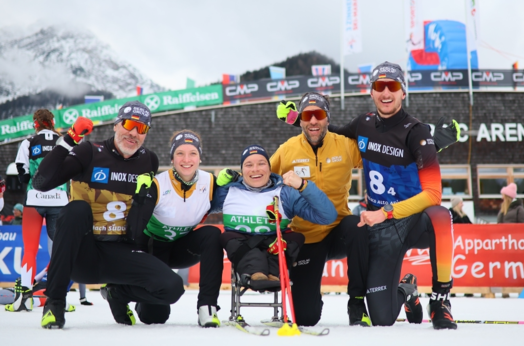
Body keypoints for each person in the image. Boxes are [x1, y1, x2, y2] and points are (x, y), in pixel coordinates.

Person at [329, 61, 459, 329]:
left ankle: (440, 300)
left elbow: (433, 194)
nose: (386, 93)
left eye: (393, 86)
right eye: (379, 86)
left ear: (403, 92)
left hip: (410, 221)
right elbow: (328, 136)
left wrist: (387, 212)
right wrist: (299, 119)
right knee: (382, 319)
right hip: (381, 227)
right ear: (372, 92)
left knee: (441, 215)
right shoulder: (362, 124)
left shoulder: (417, 132)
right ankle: (407, 291)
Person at [32, 101, 185, 329]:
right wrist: (69, 139)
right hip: (82, 253)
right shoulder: (90, 152)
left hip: (120, 251)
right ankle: (54, 304)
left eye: (141, 128)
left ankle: (117, 293)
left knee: (170, 291)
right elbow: (41, 183)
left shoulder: (148, 161)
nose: (133, 133)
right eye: (129, 125)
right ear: (116, 125)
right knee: (76, 209)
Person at [271, 92, 371, 326]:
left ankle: (356, 302)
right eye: (308, 115)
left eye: (319, 115)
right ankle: (312, 298)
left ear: (328, 118)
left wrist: (427, 147)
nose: (313, 120)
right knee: (305, 317)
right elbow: (259, 175)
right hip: (306, 238)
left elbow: (379, 157)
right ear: (301, 120)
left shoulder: (345, 145)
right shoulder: (287, 150)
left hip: (339, 231)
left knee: (358, 227)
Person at [125, 130, 224, 327]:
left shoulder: (211, 182)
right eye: (180, 153)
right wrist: (139, 198)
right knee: (154, 317)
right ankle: (118, 291)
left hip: (181, 248)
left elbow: (242, 200)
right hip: (153, 248)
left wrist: (236, 182)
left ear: (200, 157)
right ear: (172, 158)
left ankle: (207, 307)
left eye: (192, 153)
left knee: (212, 233)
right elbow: (135, 226)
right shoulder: (158, 183)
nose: (186, 159)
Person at [215, 145, 336, 293]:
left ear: (269, 168)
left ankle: (274, 274)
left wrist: (303, 186)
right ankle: (256, 275)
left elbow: (327, 216)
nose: (255, 169)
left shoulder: (285, 193)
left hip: (275, 246)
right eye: (249, 164)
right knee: (225, 236)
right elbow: (200, 207)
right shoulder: (228, 191)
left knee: (295, 237)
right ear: (242, 170)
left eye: (261, 163)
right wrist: (215, 185)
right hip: (243, 246)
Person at [7, 109, 92, 312]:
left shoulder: (28, 142)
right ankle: (57, 297)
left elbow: (23, 174)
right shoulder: (66, 141)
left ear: (35, 124)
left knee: (30, 250)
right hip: (60, 200)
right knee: (59, 251)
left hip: (34, 200)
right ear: (52, 123)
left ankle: (24, 298)